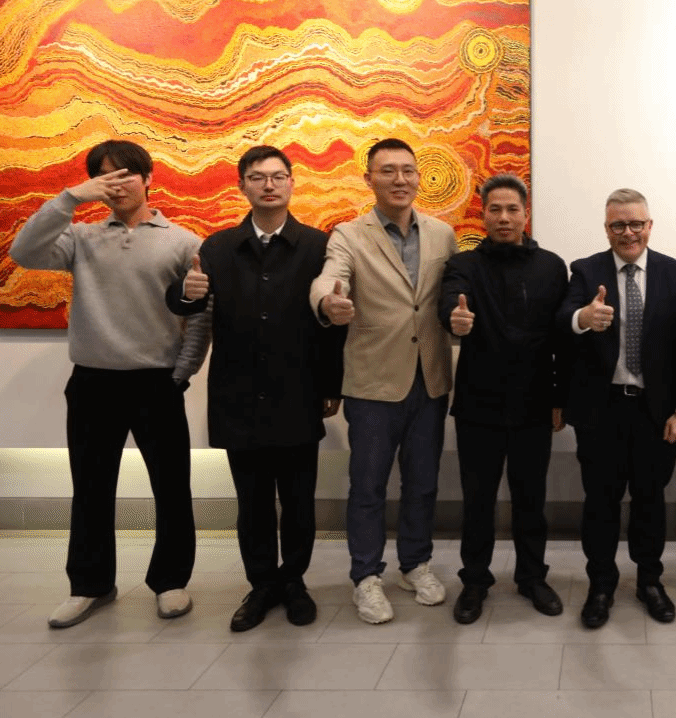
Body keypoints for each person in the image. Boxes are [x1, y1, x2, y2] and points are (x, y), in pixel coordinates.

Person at [10, 139, 209, 628]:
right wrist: (69, 198)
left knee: (171, 487)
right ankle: (90, 584)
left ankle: (171, 581)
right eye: (105, 176)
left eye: (126, 174)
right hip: (93, 382)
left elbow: (201, 314)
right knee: (91, 488)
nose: (117, 184)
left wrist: (182, 373)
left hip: (157, 382)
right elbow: (23, 251)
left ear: (148, 178)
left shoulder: (182, 241)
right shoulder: (81, 238)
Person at [167, 145, 345, 631]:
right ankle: (262, 583)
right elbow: (189, 304)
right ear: (242, 185)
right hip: (238, 394)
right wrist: (185, 293)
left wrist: (331, 384)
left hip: (298, 391)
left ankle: (295, 581)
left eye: (278, 176)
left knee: (299, 501)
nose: (269, 185)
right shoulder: (219, 247)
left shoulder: (318, 246)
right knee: (252, 503)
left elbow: (332, 324)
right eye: (257, 177)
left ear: (292, 183)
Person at [309, 138, 457, 624]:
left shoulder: (443, 234)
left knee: (422, 483)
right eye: (388, 170)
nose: (400, 179)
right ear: (368, 178)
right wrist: (328, 301)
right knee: (368, 486)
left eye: (408, 170)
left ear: (419, 177)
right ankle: (366, 576)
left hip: (429, 380)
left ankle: (415, 564)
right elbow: (331, 276)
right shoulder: (349, 235)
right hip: (373, 383)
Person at [559, 189, 676, 628]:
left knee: (649, 501)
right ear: (606, 229)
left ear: (649, 226)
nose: (628, 232)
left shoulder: (675, 273)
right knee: (600, 503)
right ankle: (600, 585)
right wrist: (583, 319)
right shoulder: (586, 270)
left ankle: (650, 582)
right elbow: (562, 321)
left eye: (636, 223)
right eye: (618, 225)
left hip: (656, 414)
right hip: (601, 412)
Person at [438, 174, 570, 624]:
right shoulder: (464, 265)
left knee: (531, 499)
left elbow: (561, 338)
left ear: (525, 213)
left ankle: (532, 577)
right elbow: (448, 303)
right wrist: (454, 318)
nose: (504, 218)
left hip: (535, 402)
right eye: (495, 209)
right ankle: (475, 581)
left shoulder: (551, 266)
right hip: (479, 405)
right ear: (483, 215)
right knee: (477, 501)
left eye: (512, 209)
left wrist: (559, 397)